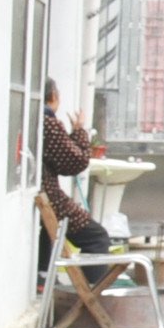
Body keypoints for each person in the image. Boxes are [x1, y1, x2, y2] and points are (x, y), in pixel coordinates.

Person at [38, 80, 112, 263]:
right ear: (53, 96)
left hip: (46, 195)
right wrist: (79, 131)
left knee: (47, 236)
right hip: (50, 196)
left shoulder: (37, 119)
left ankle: (43, 277)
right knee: (97, 237)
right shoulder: (47, 121)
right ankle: (93, 288)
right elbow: (76, 162)